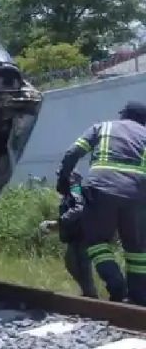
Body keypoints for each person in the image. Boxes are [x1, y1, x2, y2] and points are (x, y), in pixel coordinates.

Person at [56, 101, 146, 306]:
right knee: (137, 251)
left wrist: (63, 180)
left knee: (96, 242)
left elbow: (72, 153)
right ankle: (139, 298)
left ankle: (116, 286)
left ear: (124, 115)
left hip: (100, 190)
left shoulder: (103, 127)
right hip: (137, 195)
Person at [39, 171, 97, 298]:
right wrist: (57, 225)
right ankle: (89, 294)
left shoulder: (76, 190)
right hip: (76, 236)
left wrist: (59, 222)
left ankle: (91, 297)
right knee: (73, 264)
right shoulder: (69, 194)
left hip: (84, 236)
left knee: (82, 267)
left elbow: (79, 209)